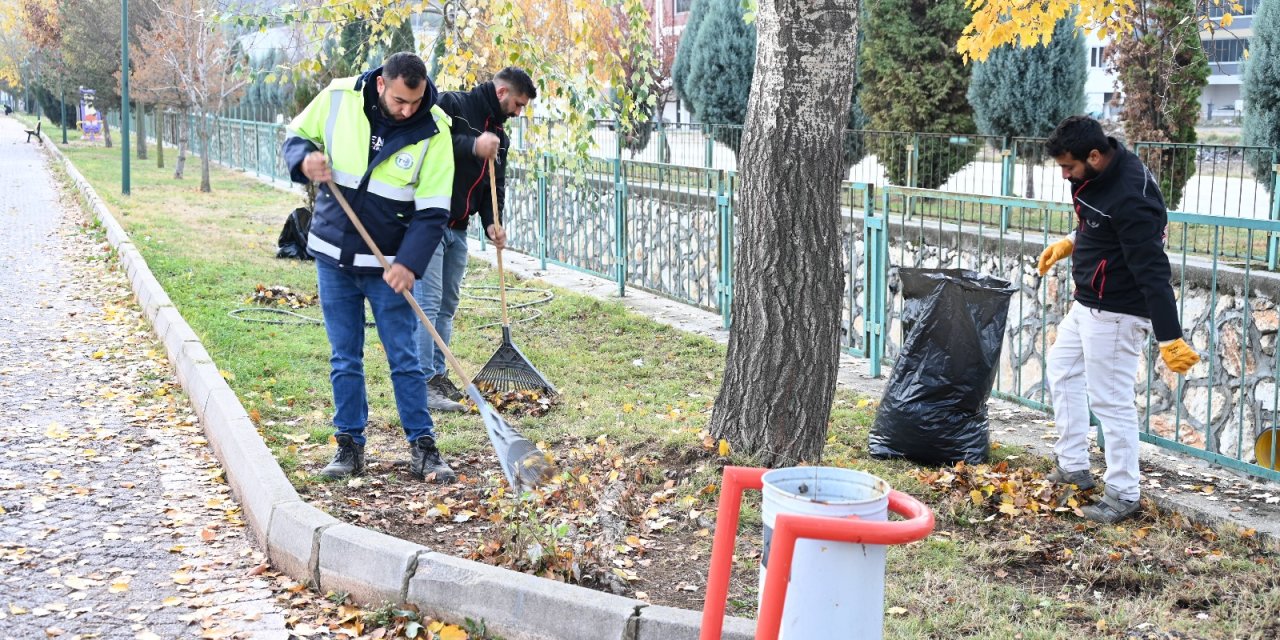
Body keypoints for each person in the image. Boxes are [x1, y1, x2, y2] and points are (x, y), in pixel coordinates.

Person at [282, 52, 457, 483]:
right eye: (400, 101)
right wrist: (304, 160)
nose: (407, 110)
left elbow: (433, 212)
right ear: (382, 84)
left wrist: (410, 265)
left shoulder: (434, 129)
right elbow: (296, 134)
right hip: (333, 256)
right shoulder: (339, 96)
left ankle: (422, 446)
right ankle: (350, 446)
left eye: (414, 102)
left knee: (405, 359)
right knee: (345, 357)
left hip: (389, 266)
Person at [1037, 115, 1201, 523]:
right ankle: (1074, 465)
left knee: (1111, 402)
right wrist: (1069, 243)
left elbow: (1152, 269)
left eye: (1068, 167)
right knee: (1061, 369)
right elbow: (1098, 226)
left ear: (1094, 156)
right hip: (1088, 303)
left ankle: (1123, 493)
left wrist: (1169, 335)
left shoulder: (1132, 197)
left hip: (1116, 313)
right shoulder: (1097, 176)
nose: (1064, 176)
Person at [412, 67, 537, 410]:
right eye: (517, 103)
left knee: (448, 306)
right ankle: (422, 382)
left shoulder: (501, 136)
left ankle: (439, 377)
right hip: (429, 222)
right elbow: (426, 144)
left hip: (459, 229)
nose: (518, 111)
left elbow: (494, 185)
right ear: (501, 93)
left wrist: (492, 223)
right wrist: (473, 145)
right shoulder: (453, 104)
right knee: (429, 302)